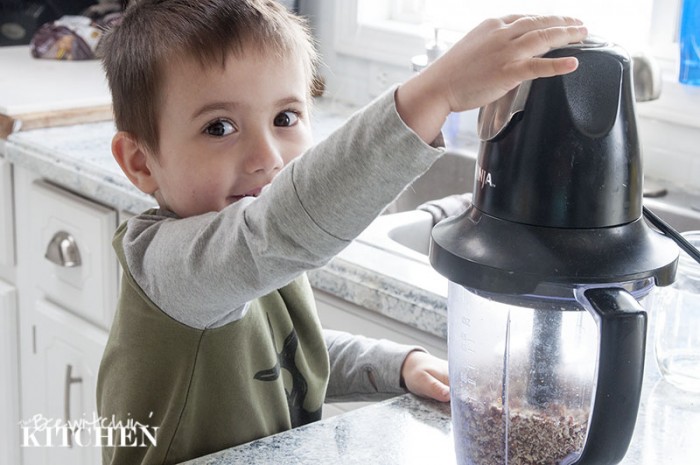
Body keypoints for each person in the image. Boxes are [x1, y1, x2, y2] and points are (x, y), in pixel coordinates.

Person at [95, 0, 587, 463]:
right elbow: (281, 226)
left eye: (285, 117)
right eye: (219, 128)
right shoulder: (169, 268)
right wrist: (435, 92)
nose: (267, 158)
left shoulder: (246, 267)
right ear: (141, 163)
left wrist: (398, 365)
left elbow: (287, 355)